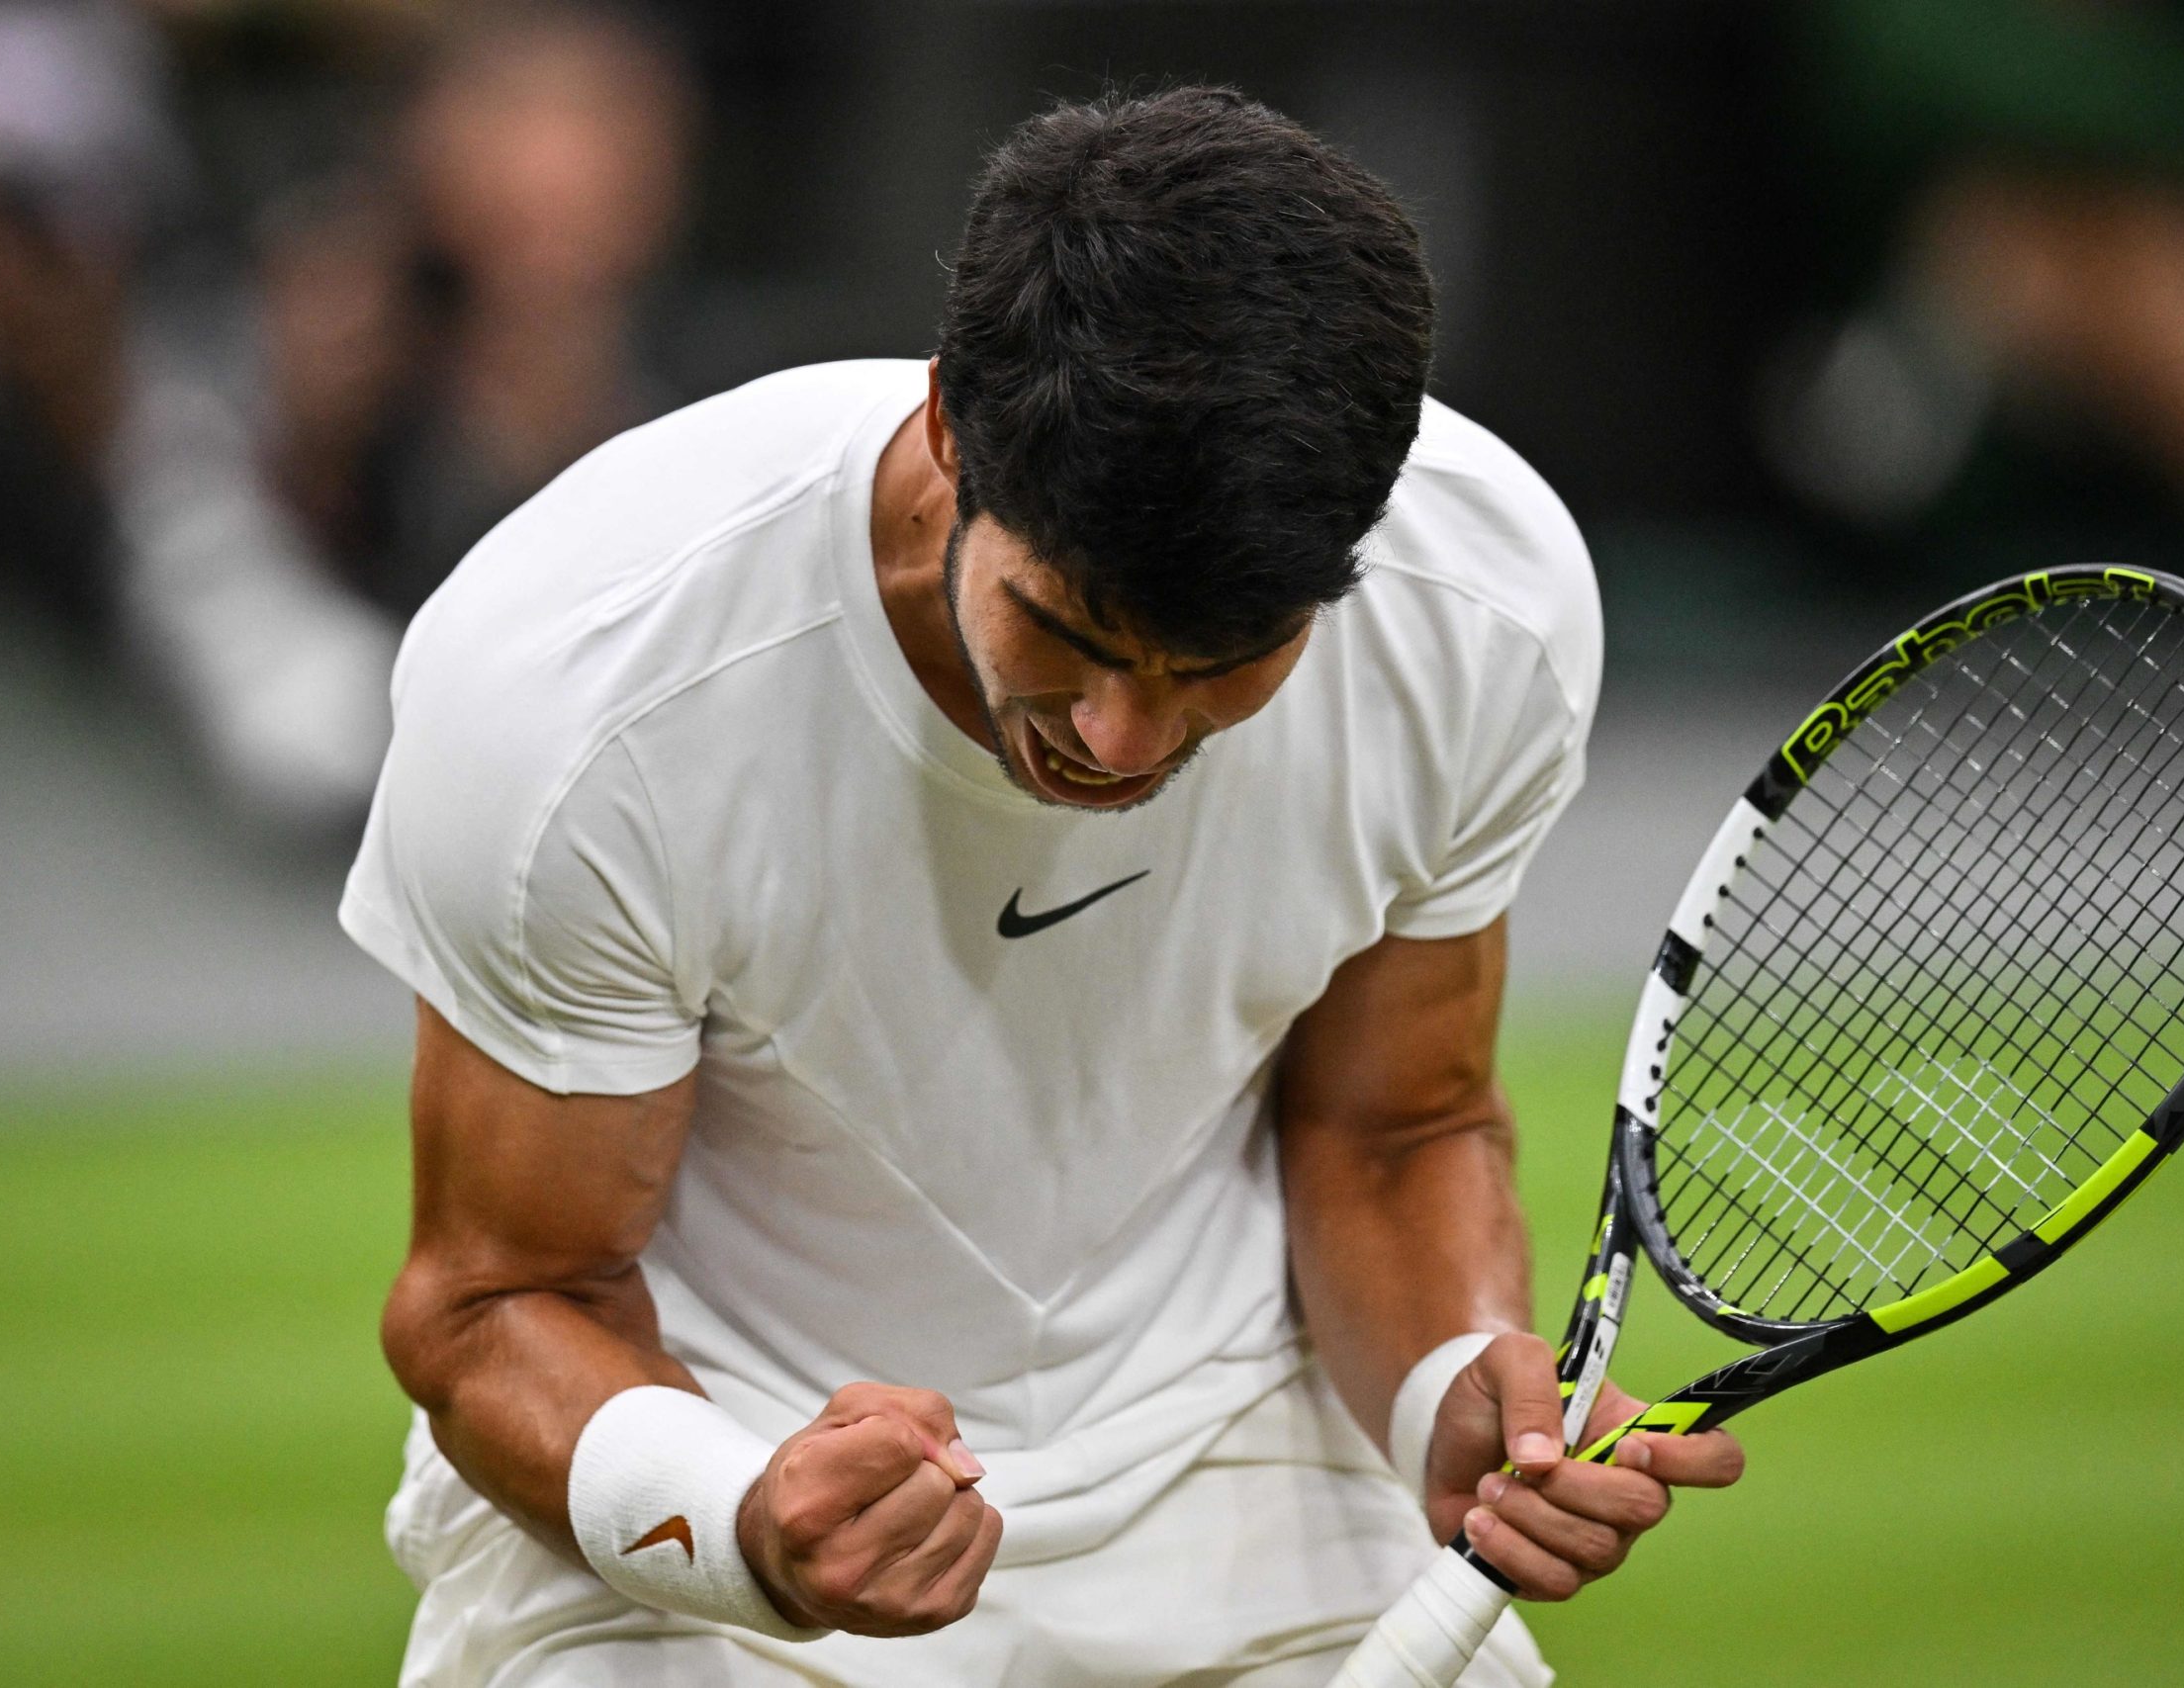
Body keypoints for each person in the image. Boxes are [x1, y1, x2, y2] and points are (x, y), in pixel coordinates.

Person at [345, 87, 1745, 1687]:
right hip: (724, 1431)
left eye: (1222, 667)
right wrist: (748, 1522)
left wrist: (1445, 1389)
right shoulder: (580, 693)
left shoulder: (1480, 615)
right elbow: (497, 1299)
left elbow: (1392, 1125)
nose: (1121, 741)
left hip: (1248, 1460)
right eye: (1069, 635)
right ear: (952, 429)